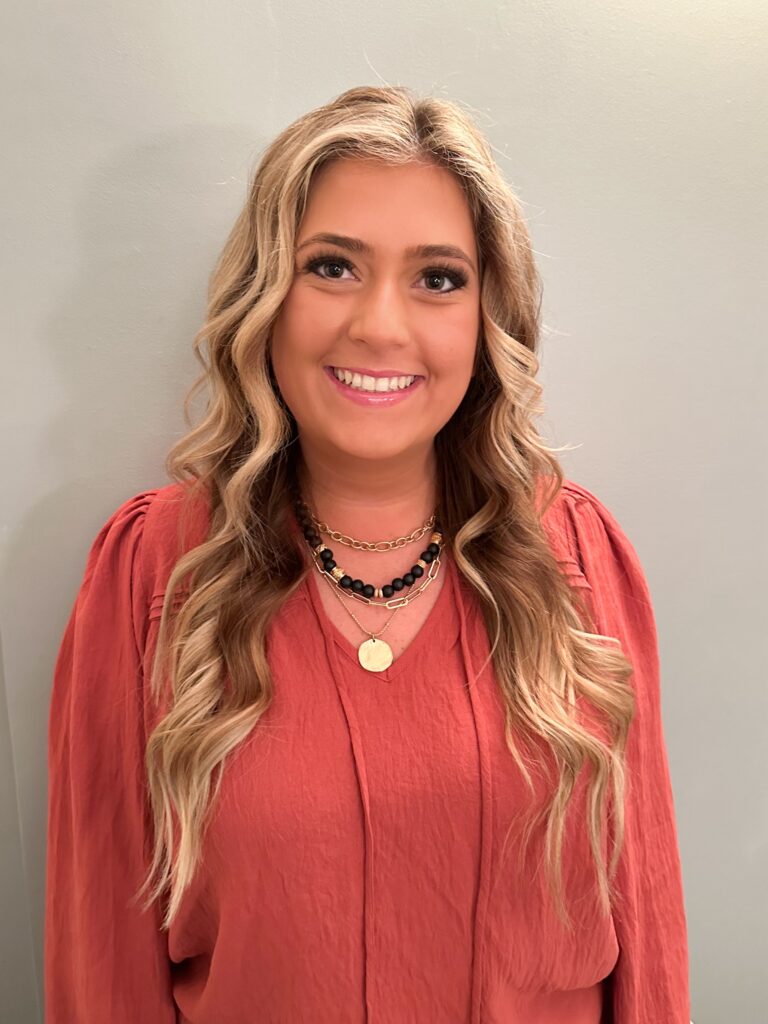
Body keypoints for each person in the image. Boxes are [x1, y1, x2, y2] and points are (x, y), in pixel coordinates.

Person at [44, 85, 691, 1023]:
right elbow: (101, 955)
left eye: (438, 278)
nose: (381, 326)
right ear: (265, 297)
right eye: (333, 267)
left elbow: (650, 936)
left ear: (487, 315)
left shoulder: (576, 563)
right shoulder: (153, 573)